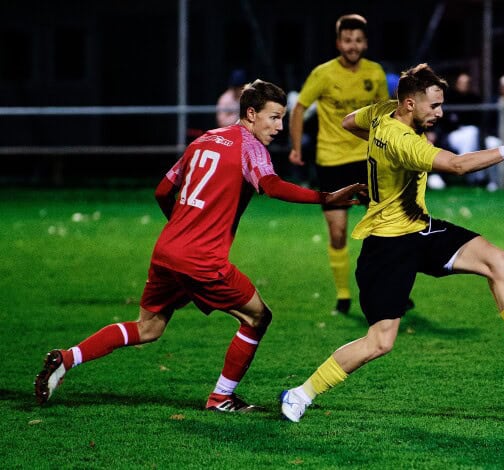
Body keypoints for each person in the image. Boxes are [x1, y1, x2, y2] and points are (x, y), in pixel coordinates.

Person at [34, 80, 365, 412]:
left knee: (148, 327)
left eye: (282, 119)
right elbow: (272, 185)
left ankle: (66, 358)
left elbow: (163, 190)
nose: (279, 127)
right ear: (251, 114)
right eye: (274, 117)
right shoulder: (249, 146)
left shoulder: (203, 139)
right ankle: (221, 397)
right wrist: (326, 197)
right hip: (202, 259)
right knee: (257, 318)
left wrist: (181, 228)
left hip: (167, 250)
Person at [278, 64, 504, 422]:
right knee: (380, 342)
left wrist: (381, 150)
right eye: (433, 106)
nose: (439, 113)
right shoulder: (402, 139)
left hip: (419, 229)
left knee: (497, 259)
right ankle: (301, 393)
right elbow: (456, 166)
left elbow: (348, 122)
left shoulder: (382, 114)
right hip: (387, 248)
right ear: (408, 104)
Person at [288, 14, 389, 315]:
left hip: (367, 159)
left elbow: (386, 115)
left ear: (365, 43)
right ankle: (344, 297)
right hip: (331, 161)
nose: (353, 45)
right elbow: (299, 108)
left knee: (383, 228)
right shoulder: (323, 74)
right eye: (347, 40)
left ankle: (387, 287)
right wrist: (295, 148)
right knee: (337, 233)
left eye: (358, 40)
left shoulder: (376, 72)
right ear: (338, 43)